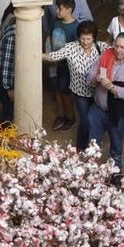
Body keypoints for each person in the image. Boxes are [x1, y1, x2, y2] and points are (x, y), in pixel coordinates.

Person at [44, 20, 110, 150]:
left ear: (94, 38)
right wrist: (36, 55)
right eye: (82, 38)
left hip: (98, 92)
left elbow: (116, 54)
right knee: (86, 121)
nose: (85, 42)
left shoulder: (101, 47)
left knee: (96, 120)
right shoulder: (71, 48)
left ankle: (93, 146)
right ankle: (82, 148)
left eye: (89, 39)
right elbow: (53, 56)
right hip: (80, 93)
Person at [86, 32, 124, 170]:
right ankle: (90, 170)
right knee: (92, 142)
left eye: (122, 47)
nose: (118, 50)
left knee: (116, 143)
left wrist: (110, 86)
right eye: (116, 46)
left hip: (116, 113)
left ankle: (115, 170)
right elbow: (90, 75)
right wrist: (96, 78)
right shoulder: (105, 55)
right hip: (98, 109)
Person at [48, 0, 80, 131]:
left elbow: (75, 50)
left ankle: (70, 118)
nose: (57, 11)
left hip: (66, 66)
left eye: (60, 9)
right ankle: (61, 116)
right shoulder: (56, 22)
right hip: (54, 62)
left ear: (69, 10)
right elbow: (51, 37)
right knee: (57, 90)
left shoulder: (76, 27)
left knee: (66, 92)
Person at [0, 4, 17, 123]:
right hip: (6, 78)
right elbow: (8, 63)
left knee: (8, 110)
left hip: (0, 73)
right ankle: (7, 138)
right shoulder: (14, 34)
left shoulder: (10, 24)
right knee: (9, 114)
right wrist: (9, 88)